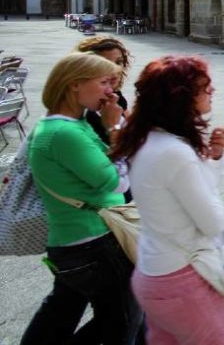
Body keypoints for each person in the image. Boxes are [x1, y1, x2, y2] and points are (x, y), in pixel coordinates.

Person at [109, 55, 224, 344]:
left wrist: (213, 160)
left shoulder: (146, 140)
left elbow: (179, 193)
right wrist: (207, 189)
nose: (212, 92)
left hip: (152, 274)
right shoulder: (174, 152)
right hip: (182, 280)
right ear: (181, 98)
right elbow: (212, 223)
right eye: (205, 88)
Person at [22, 52, 143, 344]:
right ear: (74, 84)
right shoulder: (64, 132)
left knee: (66, 313)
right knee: (123, 322)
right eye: (103, 82)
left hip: (79, 242)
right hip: (94, 244)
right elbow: (115, 181)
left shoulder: (75, 125)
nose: (110, 91)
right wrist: (114, 128)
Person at [75, 35, 131, 145]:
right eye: (105, 63)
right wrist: (113, 128)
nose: (115, 69)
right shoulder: (82, 111)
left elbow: (134, 129)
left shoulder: (117, 97)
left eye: (119, 62)